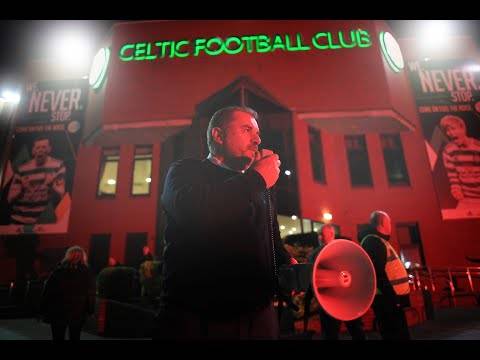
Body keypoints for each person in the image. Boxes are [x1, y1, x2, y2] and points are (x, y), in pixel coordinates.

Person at [154, 106, 297, 340]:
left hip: (259, 317)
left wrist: (285, 262)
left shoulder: (257, 185)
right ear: (218, 135)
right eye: (247, 129)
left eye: (258, 132)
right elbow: (196, 213)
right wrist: (258, 178)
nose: (257, 139)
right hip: (200, 317)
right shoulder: (185, 171)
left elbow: (269, 237)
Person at [304, 224, 366, 340]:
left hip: (344, 298)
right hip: (329, 300)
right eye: (319, 235)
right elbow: (312, 277)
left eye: (322, 235)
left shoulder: (343, 249)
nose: (320, 238)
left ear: (332, 234)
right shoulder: (315, 254)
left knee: (355, 330)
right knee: (331, 333)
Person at [360, 211, 410, 340]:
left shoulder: (379, 241)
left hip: (390, 301)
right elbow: (378, 274)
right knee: (396, 335)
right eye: (389, 222)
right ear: (382, 224)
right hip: (388, 301)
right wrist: (393, 299)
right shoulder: (374, 242)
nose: (391, 226)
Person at [40, 246, 95, 341]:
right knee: (75, 336)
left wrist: (43, 308)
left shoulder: (58, 271)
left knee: (58, 336)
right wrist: (90, 310)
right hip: (78, 310)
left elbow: (48, 291)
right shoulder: (87, 273)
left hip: (58, 309)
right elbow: (90, 293)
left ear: (68, 256)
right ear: (83, 257)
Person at [7, 136, 66, 224]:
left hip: (44, 220)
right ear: (33, 150)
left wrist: (52, 185)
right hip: (19, 219)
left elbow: (62, 194)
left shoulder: (58, 166)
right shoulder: (22, 169)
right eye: (38, 147)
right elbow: (10, 198)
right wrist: (22, 187)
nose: (40, 150)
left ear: (49, 149)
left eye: (44, 147)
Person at [439, 114, 480, 207]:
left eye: (453, 129)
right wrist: (456, 189)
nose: (450, 133)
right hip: (466, 200)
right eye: (447, 131)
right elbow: (452, 176)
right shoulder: (448, 151)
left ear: (463, 128)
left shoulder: (478, 147)